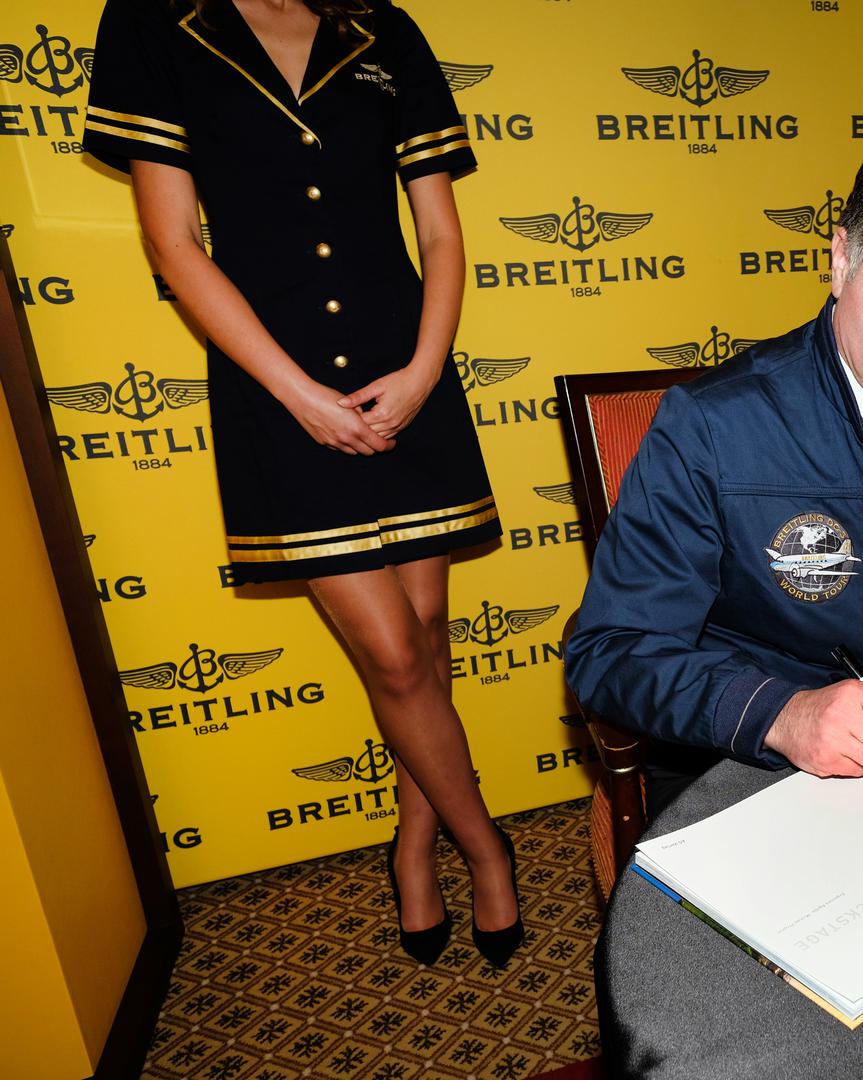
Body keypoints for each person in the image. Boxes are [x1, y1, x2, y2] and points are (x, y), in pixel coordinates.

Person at [84, 0, 521, 967]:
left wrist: (423, 372)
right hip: (275, 389)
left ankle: (414, 844)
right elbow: (173, 243)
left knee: (426, 636)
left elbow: (439, 234)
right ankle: (487, 848)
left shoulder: (382, 28)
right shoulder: (155, 23)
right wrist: (296, 396)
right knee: (395, 658)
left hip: (406, 371)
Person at [565, 127, 863, 813]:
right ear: (842, 259)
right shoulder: (712, 426)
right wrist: (781, 713)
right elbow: (613, 651)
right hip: (746, 761)